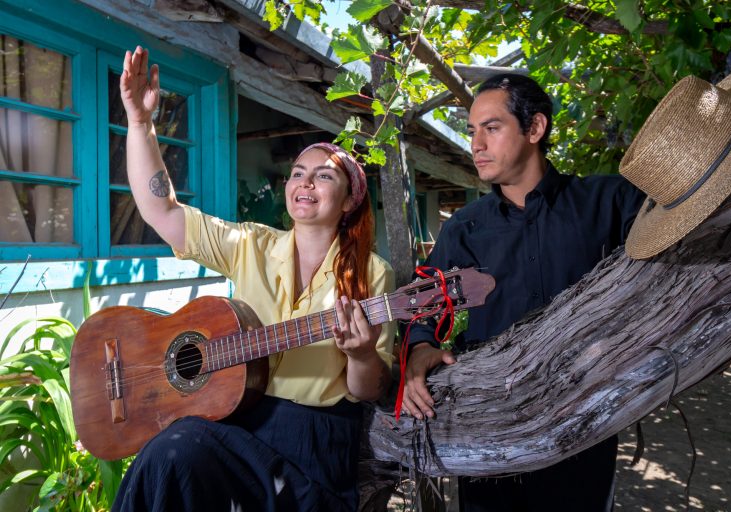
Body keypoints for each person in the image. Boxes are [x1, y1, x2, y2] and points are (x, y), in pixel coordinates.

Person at [112, 46, 395, 512]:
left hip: (315, 446)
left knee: (178, 448)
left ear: (348, 201)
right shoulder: (250, 244)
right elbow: (162, 211)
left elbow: (369, 389)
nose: (305, 182)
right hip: (240, 423)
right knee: (172, 451)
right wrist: (140, 123)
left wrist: (362, 354)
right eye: (298, 173)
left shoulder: (372, 272)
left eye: (323, 176)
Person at [401, 73, 645, 511]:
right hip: (488, 425)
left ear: (534, 128)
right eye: (472, 131)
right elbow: (425, 305)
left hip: (583, 422)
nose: (476, 144)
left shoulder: (610, 201)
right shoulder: (464, 228)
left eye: (491, 128)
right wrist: (420, 347)